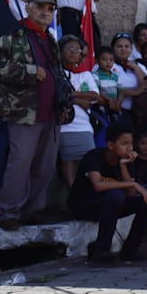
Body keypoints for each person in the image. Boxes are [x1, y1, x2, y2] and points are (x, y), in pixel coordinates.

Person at [0, 0, 73, 231]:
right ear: (28, 7)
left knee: (45, 166)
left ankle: (33, 210)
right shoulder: (13, 35)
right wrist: (30, 72)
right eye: (40, 7)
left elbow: (57, 73)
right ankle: (8, 212)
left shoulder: (49, 38)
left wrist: (64, 103)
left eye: (50, 8)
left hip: (51, 112)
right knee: (19, 164)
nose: (45, 12)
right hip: (24, 113)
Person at [68, 121, 147, 262]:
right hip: (86, 205)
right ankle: (101, 250)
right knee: (115, 195)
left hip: (110, 205)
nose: (130, 148)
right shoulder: (94, 157)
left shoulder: (126, 160)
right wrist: (132, 183)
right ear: (110, 145)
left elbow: (130, 194)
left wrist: (123, 166)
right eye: (124, 143)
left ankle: (130, 251)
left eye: (131, 143)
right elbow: (98, 185)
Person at [59, 35, 99, 188]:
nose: (73, 52)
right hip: (64, 126)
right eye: (69, 48)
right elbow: (57, 95)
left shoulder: (85, 74)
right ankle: (73, 194)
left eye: (77, 49)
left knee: (90, 162)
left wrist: (72, 95)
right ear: (60, 52)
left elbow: (94, 96)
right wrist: (79, 101)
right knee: (68, 162)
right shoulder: (57, 72)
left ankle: (86, 194)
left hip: (84, 126)